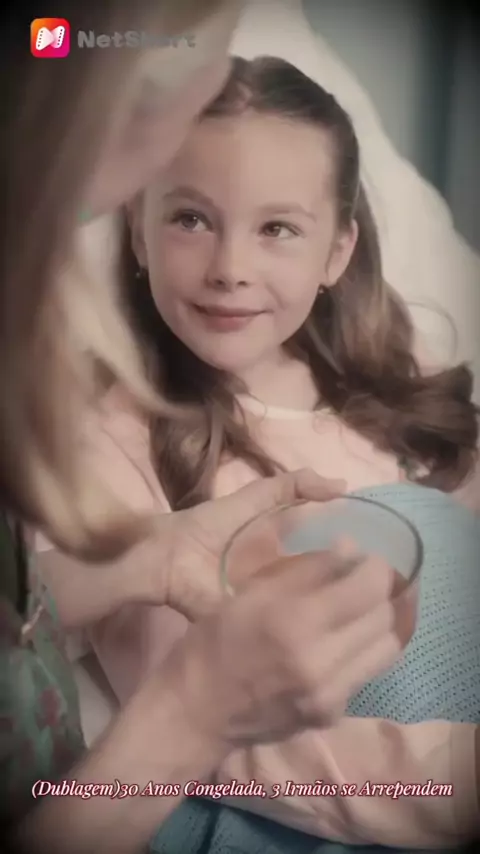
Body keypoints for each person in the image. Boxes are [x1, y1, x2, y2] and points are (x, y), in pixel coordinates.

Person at [37, 56, 480, 850]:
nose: (230, 270)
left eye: (277, 229)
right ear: (137, 228)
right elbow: (219, 731)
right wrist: (446, 779)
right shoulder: (112, 446)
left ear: (336, 253)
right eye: (191, 219)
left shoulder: (392, 382)